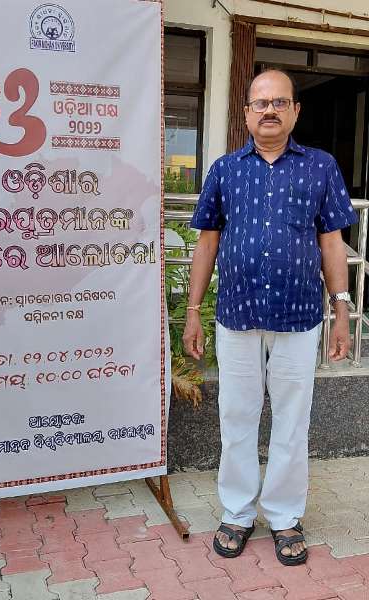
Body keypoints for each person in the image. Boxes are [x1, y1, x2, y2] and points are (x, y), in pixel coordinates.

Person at [183, 68, 358, 566]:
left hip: (298, 316)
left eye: (280, 102)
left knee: (291, 422)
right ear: (246, 113)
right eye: (260, 103)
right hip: (236, 315)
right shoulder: (224, 170)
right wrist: (193, 311)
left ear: (295, 111)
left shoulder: (321, 167)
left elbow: (331, 242)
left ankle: (283, 516)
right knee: (236, 418)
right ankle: (237, 512)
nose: (269, 111)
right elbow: (207, 242)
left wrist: (341, 311)